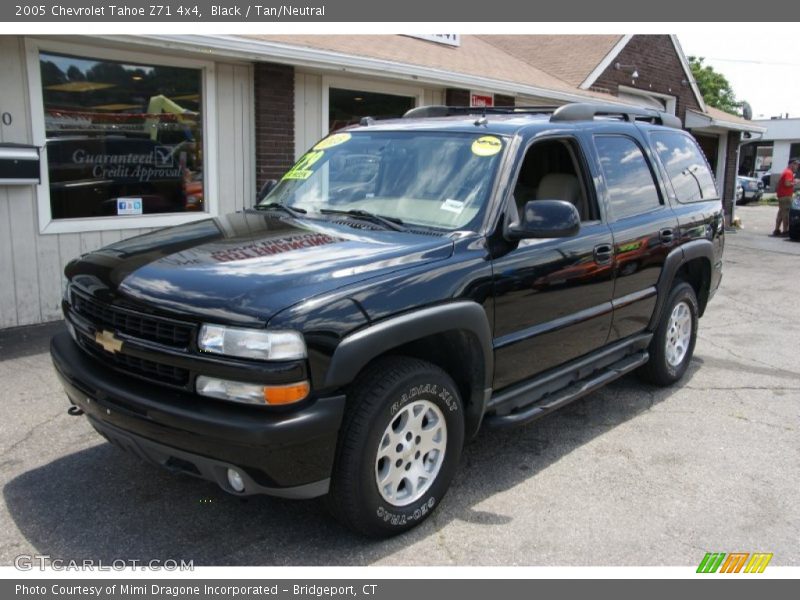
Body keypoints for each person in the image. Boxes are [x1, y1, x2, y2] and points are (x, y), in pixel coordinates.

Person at [774, 158, 798, 236]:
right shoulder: (788, 172)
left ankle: (777, 230)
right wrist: (795, 182)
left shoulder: (785, 171)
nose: (797, 166)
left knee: (781, 213)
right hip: (786, 196)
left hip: (781, 195)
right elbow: (787, 184)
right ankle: (785, 231)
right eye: (796, 164)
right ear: (791, 164)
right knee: (786, 214)